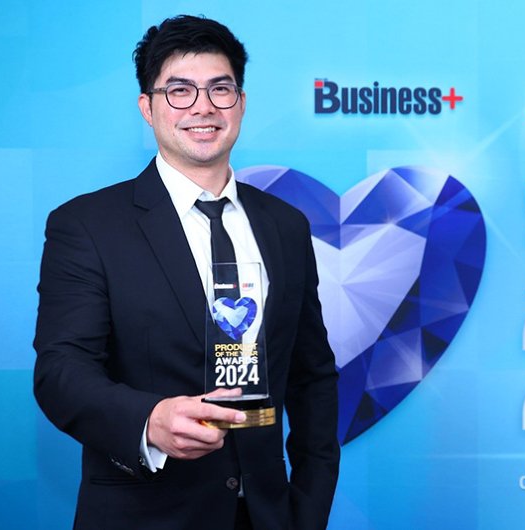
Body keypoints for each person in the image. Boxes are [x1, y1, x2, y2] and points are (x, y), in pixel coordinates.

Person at [33, 15, 340, 530]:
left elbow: (312, 377)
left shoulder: (285, 225)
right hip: (144, 516)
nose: (203, 106)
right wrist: (149, 421)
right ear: (147, 108)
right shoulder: (87, 225)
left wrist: (306, 511)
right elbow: (62, 372)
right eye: (179, 91)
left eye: (220, 89)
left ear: (241, 102)